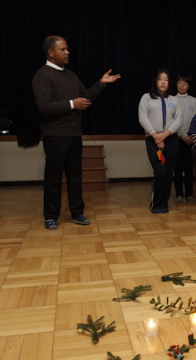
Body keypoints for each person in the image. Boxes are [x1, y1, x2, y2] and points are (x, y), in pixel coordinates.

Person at [32, 35, 120, 230]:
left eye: (67, 49)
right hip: (54, 135)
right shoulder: (42, 76)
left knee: (75, 175)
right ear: (51, 52)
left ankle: (77, 212)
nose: (67, 52)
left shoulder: (71, 75)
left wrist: (102, 83)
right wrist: (72, 104)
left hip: (73, 134)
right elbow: (45, 107)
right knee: (53, 176)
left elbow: (86, 97)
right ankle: (50, 216)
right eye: (63, 49)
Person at [138, 68, 182, 213]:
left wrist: (165, 135)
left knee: (169, 174)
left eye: (166, 79)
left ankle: (164, 203)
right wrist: (155, 134)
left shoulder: (175, 100)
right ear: (155, 81)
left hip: (171, 140)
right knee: (160, 172)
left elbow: (178, 120)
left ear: (169, 83)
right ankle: (156, 203)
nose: (163, 82)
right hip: (153, 140)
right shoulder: (146, 98)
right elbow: (143, 118)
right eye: (160, 79)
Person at [173, 73, 196, 203]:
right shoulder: (172, 99)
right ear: (176, 84)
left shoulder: (193, 101)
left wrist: (191, 135)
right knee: (178, 168)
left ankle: (189, 193)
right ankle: (178, 194)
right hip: (176, 139)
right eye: (180, 82)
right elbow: (172, 121)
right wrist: (183, 135)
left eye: (185, 83)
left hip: (191, 139)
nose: (182, 85)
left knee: (189, 168)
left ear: (188, 86)